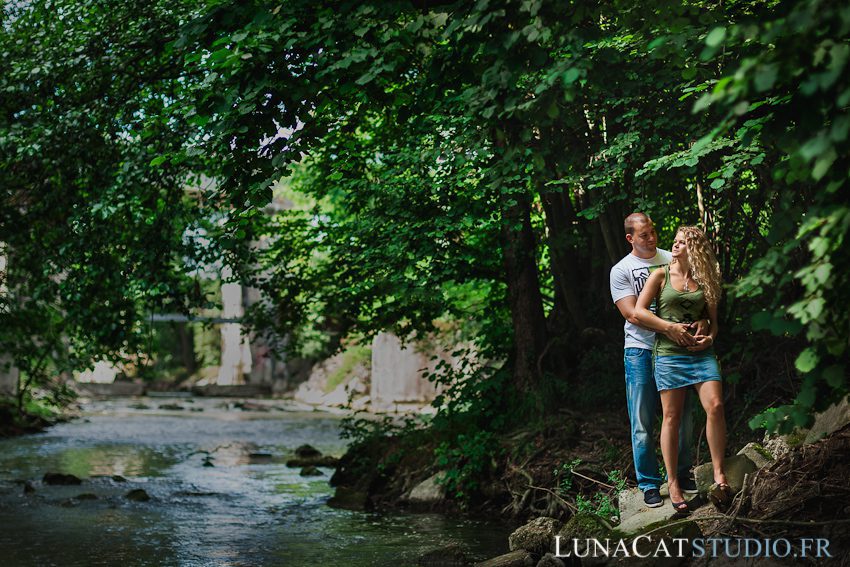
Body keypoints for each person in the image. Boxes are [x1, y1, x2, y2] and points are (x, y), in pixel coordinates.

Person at [610, 213, 702, 508]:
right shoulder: (621, 270)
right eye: (644, 235)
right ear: (630, 238)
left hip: (675, 351)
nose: (652, 239)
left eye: (653, 232)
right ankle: (649, 484)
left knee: (683, 417)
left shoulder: (671, 256)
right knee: (642, 421)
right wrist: (669, 328)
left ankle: (683, 474)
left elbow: (692, 291)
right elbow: (631, 313)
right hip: (640, 350)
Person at [634, 225, 728, 514]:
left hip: (701, 355)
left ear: (695, 248)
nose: (675, 246)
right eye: (674, 241)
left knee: (715, 406)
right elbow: (638, 311)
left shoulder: (706, 279)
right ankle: (673, 482)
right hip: (669, 355)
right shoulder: (660, 275)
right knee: (671, 417)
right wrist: (670, 328)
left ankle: (719, 473)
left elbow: (714, 323)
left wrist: (708, 336)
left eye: (682, 242)